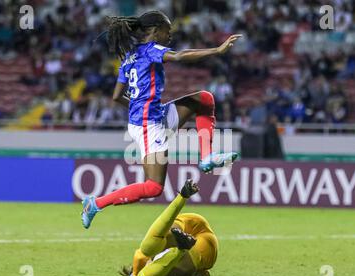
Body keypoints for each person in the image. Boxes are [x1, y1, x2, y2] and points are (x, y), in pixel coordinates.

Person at [81, 11, 241, 228]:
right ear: (155, 31)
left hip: (156, 115)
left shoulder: (129, 57)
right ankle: (96, 204)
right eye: (168, 30)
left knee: (204, 99)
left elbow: (117, 96)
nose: (170, 35)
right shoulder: (151, 49)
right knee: (154, 187)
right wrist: (217, 50)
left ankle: (207, 157)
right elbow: (178, 56)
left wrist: (139, 108)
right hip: (149, 125)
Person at [119, 179, 218, 276]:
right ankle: (182, 197)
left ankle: (181, 248)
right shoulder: (148, 260)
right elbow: (139, 256)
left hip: (198, 243)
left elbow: (140, 257)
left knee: (145, 269)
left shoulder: (149, 263)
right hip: (195, 232)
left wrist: (135, 274)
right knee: (149, 254)